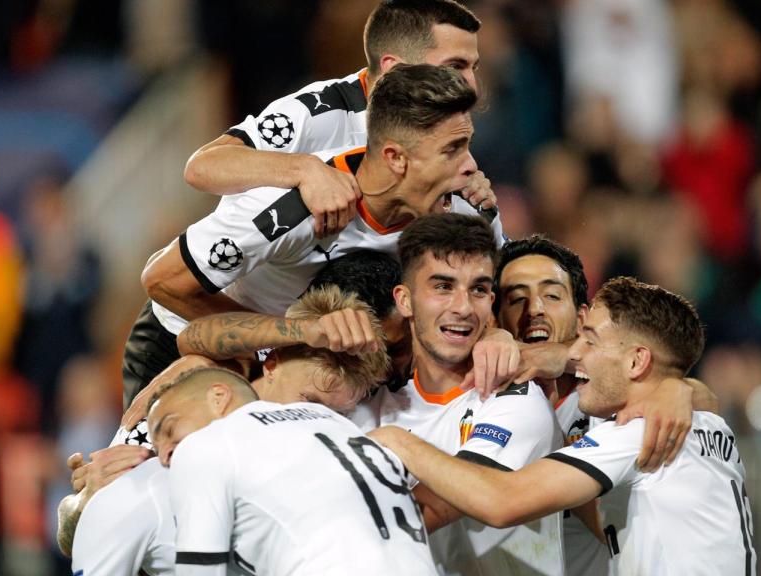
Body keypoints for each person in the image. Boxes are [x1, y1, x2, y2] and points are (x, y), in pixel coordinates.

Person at [127, 63, 503, 407]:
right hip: (196, 343)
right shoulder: (290, 209)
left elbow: (506, 286)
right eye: (452, 150)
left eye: (467, 145)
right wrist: (283, 341)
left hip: (327, 363)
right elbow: (163, 282)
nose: (471, 166)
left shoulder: (464, 209)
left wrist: (496, 335)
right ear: (395, 158)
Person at [371, 277, 757, 575]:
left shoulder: (637, 434)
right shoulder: (706, 424)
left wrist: (399, 442)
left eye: (590, 340)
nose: (574, 352)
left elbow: (502, 501)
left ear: (637, 361)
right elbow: (604, 516)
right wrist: (678, 388)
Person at [60, 286, 391, 565]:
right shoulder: (187, 408)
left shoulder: (330, 452)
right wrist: (85, 502)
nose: (316, 420)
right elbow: (75, 537)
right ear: (272, 363)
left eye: (334, 413)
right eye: (309, 401)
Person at [349, 213, 564, 575]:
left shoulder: (516, 400)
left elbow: (431, 510)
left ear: (490, 300)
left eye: (478, 289)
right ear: (404, 300)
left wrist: (396, 442)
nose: (463, 308)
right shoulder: (368, 408)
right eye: (443, 287)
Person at [185, 0, 484, 237]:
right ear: (394, 66)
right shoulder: (316, 111)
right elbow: (202, 167)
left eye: (474, 68)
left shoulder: (442, 127)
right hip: (256, 285)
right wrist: (305, 169)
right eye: (454, 66)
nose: (473, 86)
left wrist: (467, 195)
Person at [152, 366, 438, 575]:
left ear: (218, 397)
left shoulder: (204, 445)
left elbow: (200, 571)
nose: (164, 456)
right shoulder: (331, 421)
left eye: (169, 428)